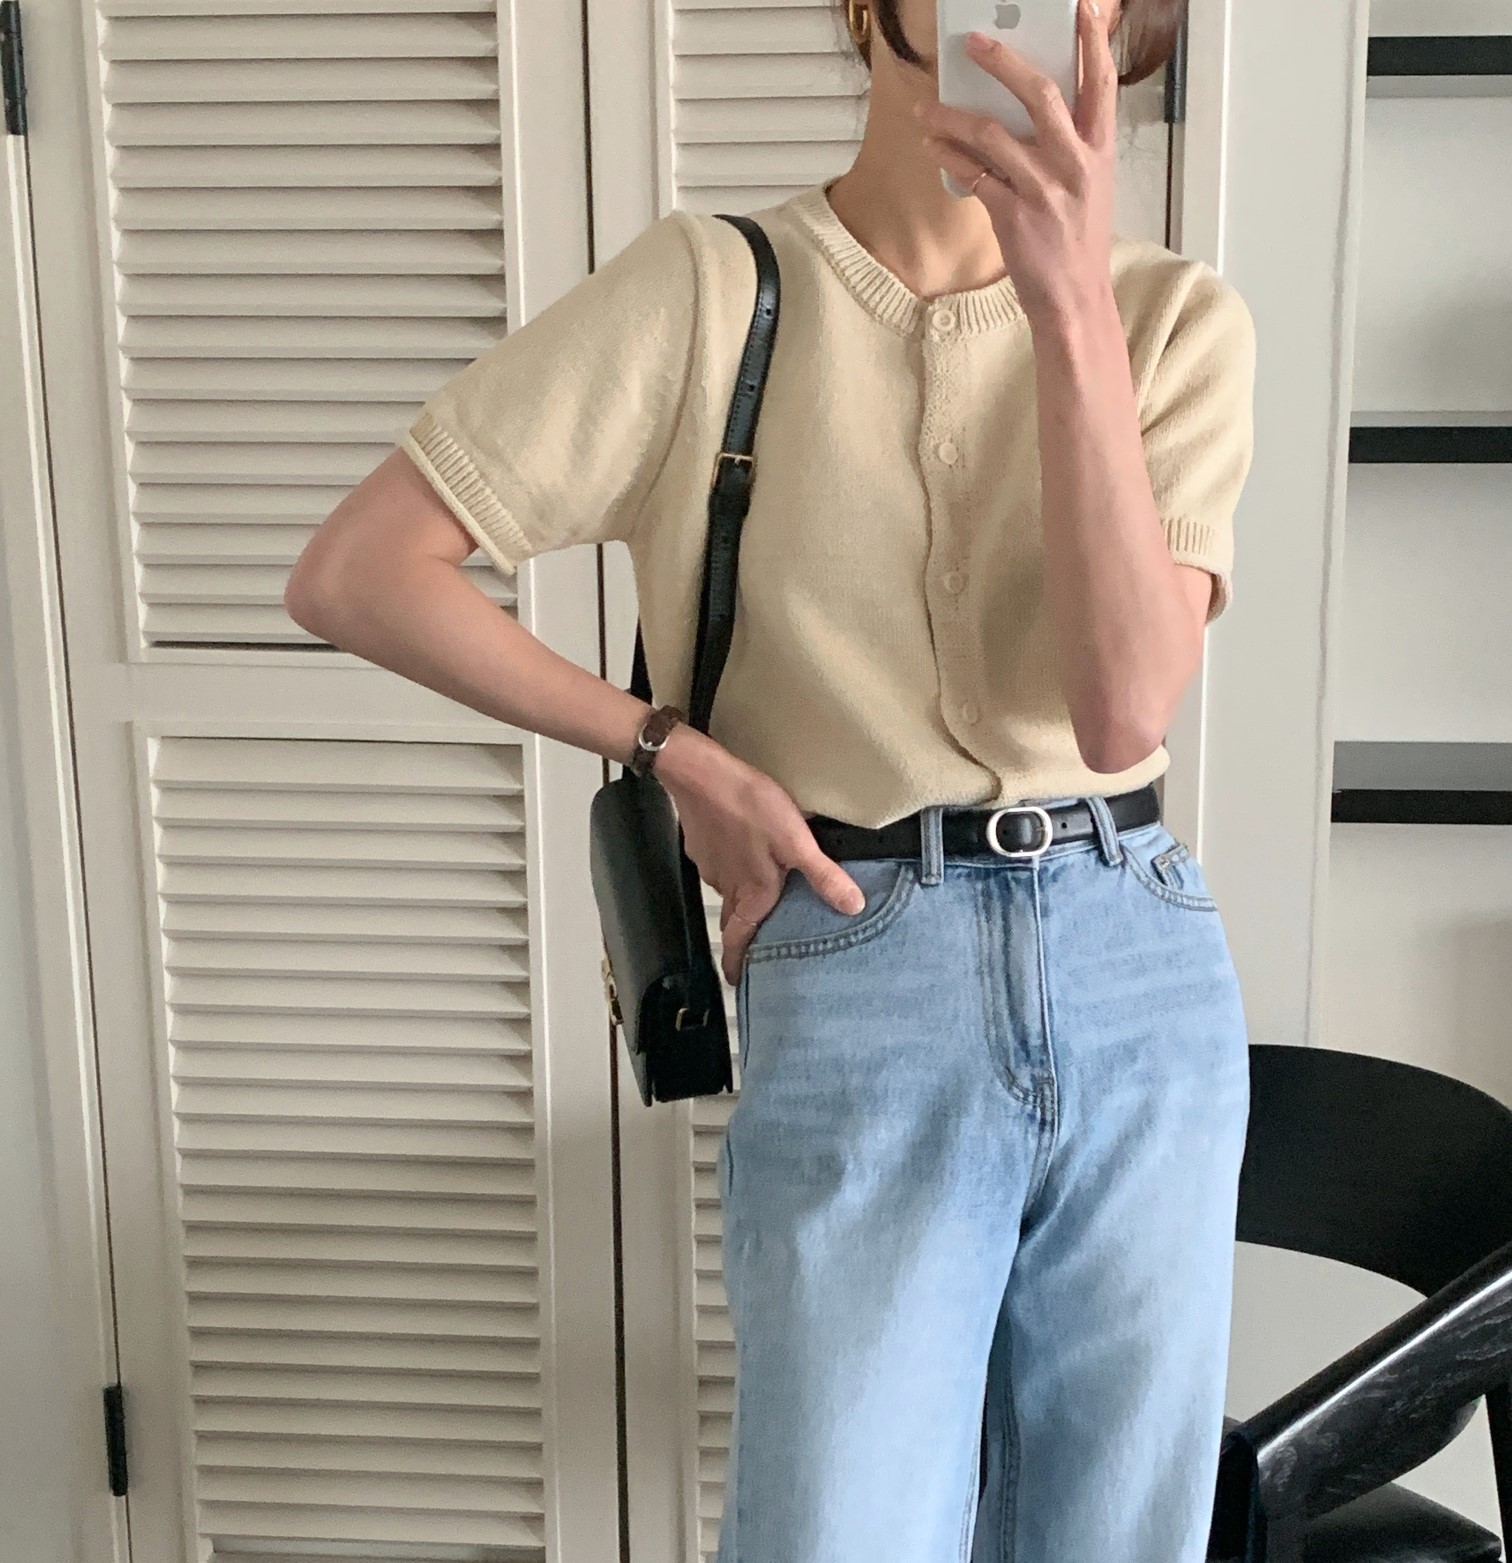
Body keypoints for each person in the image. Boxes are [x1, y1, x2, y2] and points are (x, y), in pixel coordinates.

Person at [284, 0, 1258, 1555]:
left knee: (1121, 1536)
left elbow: (1121, 701)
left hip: (1140, 960)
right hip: (865, 949)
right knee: (836, 1530)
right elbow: (357, 573)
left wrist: (1071, 302)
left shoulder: (1174, 321)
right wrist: (666, 748)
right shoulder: (710, 294)